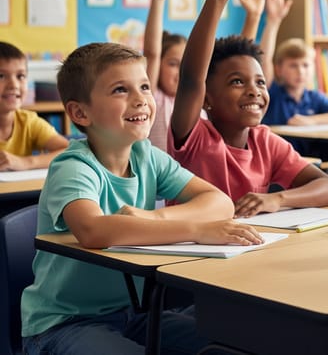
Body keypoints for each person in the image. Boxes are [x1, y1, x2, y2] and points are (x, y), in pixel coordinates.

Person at [20, 42, 263, 354]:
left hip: (135, 314)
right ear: (80, 112)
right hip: (64, 324)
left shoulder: (146, 155)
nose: (141, 100)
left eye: (145, 87)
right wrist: (195, 229)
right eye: (121, 90)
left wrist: (153, 217)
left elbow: (219, 202)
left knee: (231, 343)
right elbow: (93, 230)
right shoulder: (73, 166)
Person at [168, 0, 328, 218]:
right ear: (206, 98)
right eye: (237, 82)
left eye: (261, 83)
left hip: (246, 249)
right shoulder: (194, 138)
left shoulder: (265, 141)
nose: (255, 91)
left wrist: (277, 200)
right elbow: (191, 78)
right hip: (192, 252)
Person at [254, 0, 328, 126]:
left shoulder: (313, 97)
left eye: (306, 65)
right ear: (278, 69)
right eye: (293, 66)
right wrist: (273, 22)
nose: (301, 71)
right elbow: (264, 60)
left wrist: (311, 120)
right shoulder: (272, 93)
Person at [139, 0, 187, 151]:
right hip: (160, 179)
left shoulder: (198, 101)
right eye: (173, 64)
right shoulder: (153, 98)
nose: (181, 72)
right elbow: (152, 52)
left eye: (185, 65)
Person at [0, 41, 68, 170]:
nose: (14, 85)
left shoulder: (28, 122)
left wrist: (25, 162)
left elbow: (68, 151)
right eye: (1, 76)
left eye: (20, 76)